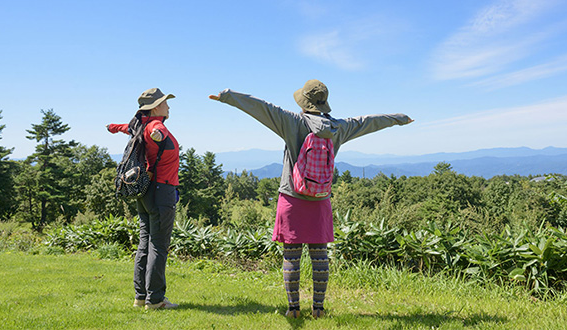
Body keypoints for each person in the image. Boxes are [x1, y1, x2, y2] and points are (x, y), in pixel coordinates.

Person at [209, 79, 413, 318]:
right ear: (324, 103)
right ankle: (318, 309)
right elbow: (367, 122)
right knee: (320, 257)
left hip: (292, 198)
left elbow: (262, 108)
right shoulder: (338, 127)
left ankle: (293, 309)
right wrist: (399, 118)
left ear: (303, 103)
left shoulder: (292, 122)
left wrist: (227, 96)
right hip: (320, 199)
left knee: (291, 256)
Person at [107, 88, 180, 310]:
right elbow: (158, 132)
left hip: (145, 191)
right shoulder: (155, 126)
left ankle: (141, 297)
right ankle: (156, 299)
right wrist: (159, 134)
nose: (168, 106)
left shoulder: (138, 125)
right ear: (156, 107)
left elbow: (124, 127)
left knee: (145, 243)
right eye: (165, 102)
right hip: (162, 191)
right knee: (159, 246)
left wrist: (112, 127)